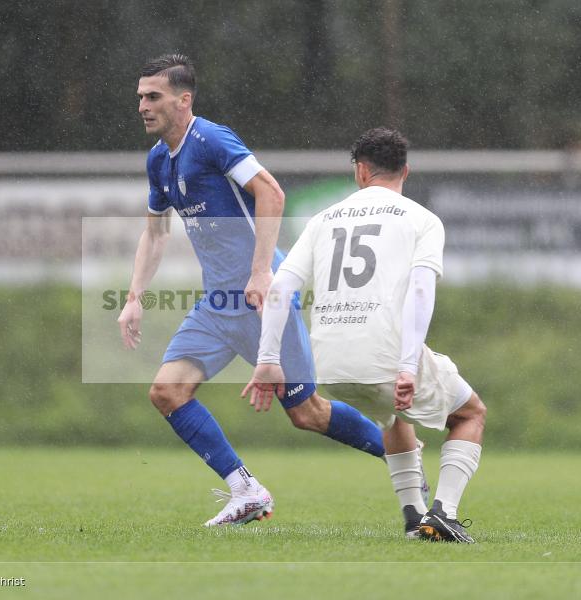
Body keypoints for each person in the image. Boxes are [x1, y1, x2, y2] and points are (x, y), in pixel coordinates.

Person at [118, 54, 414, 527]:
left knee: (308, 414)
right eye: (139, 97)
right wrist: (134, 297)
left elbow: (271, 192)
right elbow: (154, 233)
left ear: (183, 99)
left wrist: (260, 274)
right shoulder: (158, 160)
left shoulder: (211, 140)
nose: (142, 106)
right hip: (217, 305)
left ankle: (406, 465)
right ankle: (246, 490)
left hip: (262, 300)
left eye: (153, 97)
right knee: (167, 392)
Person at [245, 127, 487, 543]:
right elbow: (421, 291)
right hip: (385, 357)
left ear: (359, 172)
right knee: (470, 414)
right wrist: (409, 366)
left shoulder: (324, 218)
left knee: (391, 414)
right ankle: (443, 513)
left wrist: (268, 360)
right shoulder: (422, 219)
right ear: (405, 172)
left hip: (331, 365)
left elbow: (281, 287)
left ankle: (414, 518)